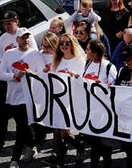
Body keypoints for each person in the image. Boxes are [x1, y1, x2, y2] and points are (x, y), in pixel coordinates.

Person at [0, 28, 38, 167]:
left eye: (27, 37)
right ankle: (33, 145)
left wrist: (33, 74)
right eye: (22, 37)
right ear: (17, 40)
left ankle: (14, 160)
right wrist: (13, 76)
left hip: (29, 98)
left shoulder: (35, 54)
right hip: (13, 97)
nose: (26, 39)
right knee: (24, 126)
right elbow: (0, 75)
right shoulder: (9, 54)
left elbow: (43, 74)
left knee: (20, 128)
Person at [52, 33, 87, 166]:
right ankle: (59, 163)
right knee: (56, 131)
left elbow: (83, 81)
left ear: (73, 44)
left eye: (67, 43)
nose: (64, 46)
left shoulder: (79, 61)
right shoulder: (57, 60)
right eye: (62, 43)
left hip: (71, 100)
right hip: (57, 99)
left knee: (64, 133)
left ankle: (79, 146)